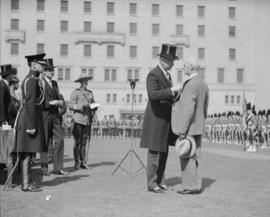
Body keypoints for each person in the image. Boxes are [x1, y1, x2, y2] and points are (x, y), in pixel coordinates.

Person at [140, 44, 181, 193]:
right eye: (171, 61)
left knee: (163, 152)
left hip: (165, 120)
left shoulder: (167, 75)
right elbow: (154, 95)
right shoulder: (153, 74)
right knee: (155, 152)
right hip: (156, 119)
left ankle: (161, 181)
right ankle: (152, 183)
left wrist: (176, 94)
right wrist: (171, 90)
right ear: (163, 60)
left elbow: (167, 96)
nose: (173, 64)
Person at [171, 56, 209, 194]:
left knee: (187, 156)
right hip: (198, 126)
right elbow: (205, 107)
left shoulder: (190, 83)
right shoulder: (203, 84)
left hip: (189, 127)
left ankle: (189, 186)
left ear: (191, 67)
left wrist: (182, 129)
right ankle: (196, 184)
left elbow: (187, 109)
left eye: (186, 65)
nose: (184, 67)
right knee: (196, 156)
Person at [15, 53, 48, 192]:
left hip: (30, 118)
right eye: (41, 64)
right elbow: (29, 104)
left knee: (29, 153)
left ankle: (27, 182)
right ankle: (25, 184)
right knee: (27, 154)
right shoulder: (32, 80)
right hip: (29, 119)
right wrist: (31, 125)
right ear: (34, 65)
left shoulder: (33, 78)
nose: (44, 66)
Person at [40, 58, 68, 176]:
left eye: (53, 70)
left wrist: (60, 102)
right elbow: (38, 99)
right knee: (45, 141)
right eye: (49, 70)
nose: (52, 72)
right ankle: (44, 167)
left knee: (60, 140)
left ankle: (58, 168)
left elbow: (58, 96)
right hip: (45, 114)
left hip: (55, 115)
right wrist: (50, 103)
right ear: (44, 71)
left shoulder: (55, 83)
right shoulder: (40, 82)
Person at [69, 73, 95, 170]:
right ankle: (76, 162)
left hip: (87, 120)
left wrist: (94, 108)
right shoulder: (76, 92)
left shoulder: (90, 93)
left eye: (87, 80)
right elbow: (71, 105)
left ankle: (83, 162)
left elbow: (92, 104)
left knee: (84, 142)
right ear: (80, 82)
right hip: (78, 120)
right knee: (77, 142)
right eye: (84, 80)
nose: (86, 82)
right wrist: (81, 107)